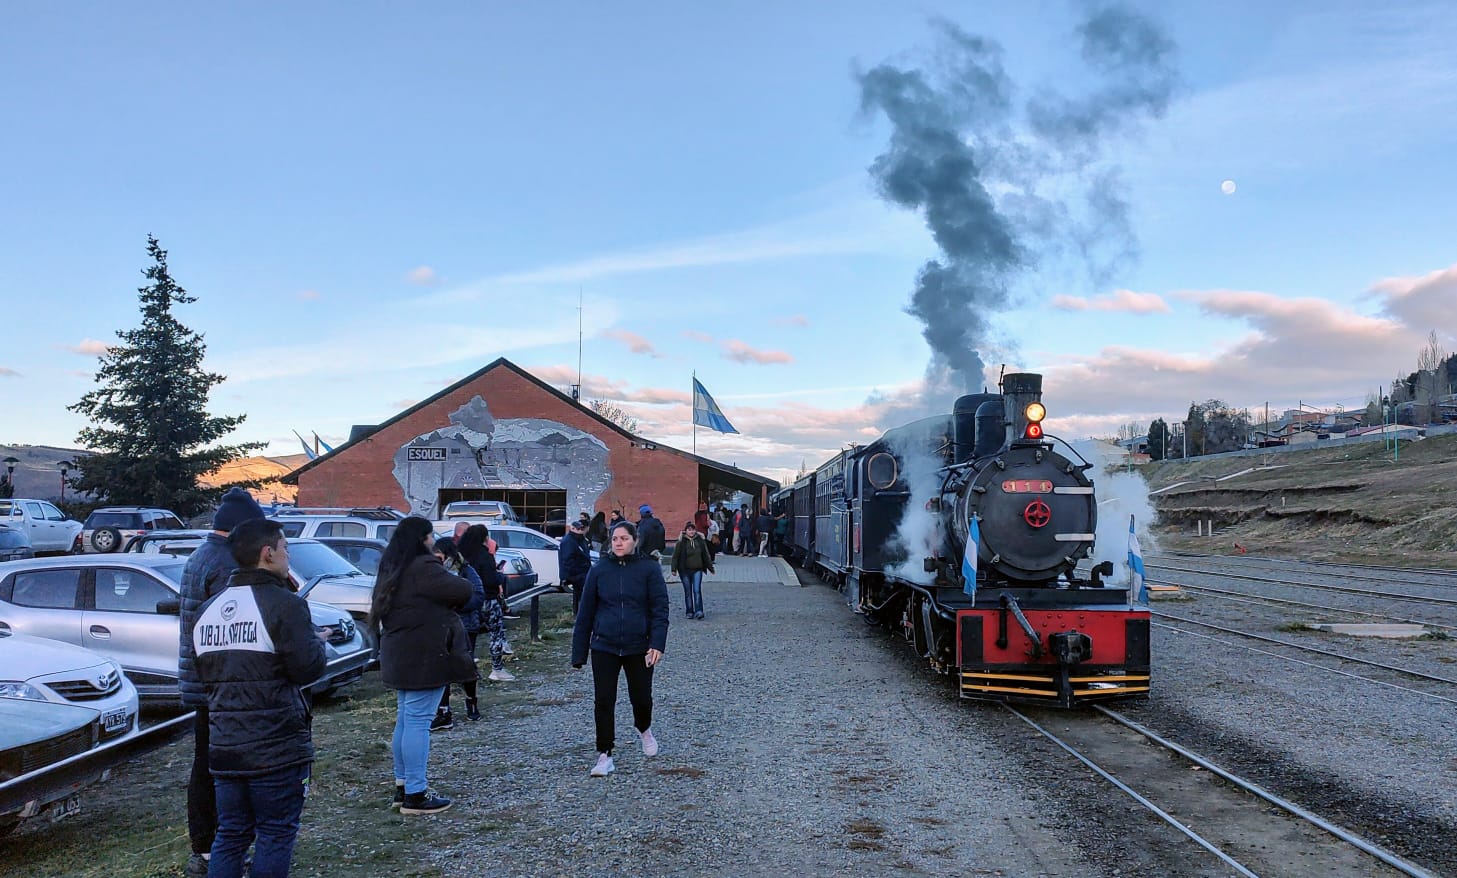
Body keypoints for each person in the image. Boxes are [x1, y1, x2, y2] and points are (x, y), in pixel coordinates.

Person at [193, 518, 328, 878]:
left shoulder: (207, 612)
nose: (288, 556)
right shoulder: (284, 604)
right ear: (268, 554)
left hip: (225, 745)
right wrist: (317, 643)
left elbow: (203, 674)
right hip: (275, 746)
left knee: (231, 834)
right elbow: (309, 670)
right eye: (286, 548)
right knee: (275, 832)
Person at [178, 486, 265, 878]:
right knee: (221, 768)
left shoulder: (199, 556)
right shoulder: (225, 563)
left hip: (198, 679)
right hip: (218, 683)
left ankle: (207, 847)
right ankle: (216, 848)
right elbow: (232, 626)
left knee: (205, 763)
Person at [371, 516, 475, 815]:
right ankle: (417, 794)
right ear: (423, 539)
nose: (433, 542)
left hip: (398, 652)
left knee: (406, 719)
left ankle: (403, 785)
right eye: (431, 537)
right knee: (418, 722)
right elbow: (463, 590)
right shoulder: (424, 567)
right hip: (425, 655)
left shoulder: (392, 566)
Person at [570, 520, 669, 777]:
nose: (619, 543)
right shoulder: (600, 570)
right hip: (605, 645)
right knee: (604, 700)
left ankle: (643, 728)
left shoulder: (649, 569)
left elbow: (660, 610)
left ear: (635, 540)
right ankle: (604, 753)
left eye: (624, 538)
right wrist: (578, 653)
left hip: (639, 646)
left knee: (641, 697)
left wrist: (657, 643)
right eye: (615, 539)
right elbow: (586, 612)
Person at [432, 536, 486, 724]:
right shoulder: (433, 572)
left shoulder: (466, 570)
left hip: (465, 625)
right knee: (441, 668)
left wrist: (457, 605)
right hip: (441, 626)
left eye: (439, 554)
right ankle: (443, 711)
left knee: (466, 666)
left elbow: (479, 595)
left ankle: (472, 702)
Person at [458, 524, 513, 682]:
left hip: (467, 600)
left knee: (468, 638)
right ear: (484, 538)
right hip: (488, 600)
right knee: (496, 635)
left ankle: (467, 671)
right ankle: (497, 669)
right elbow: (491, 579)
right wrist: (500, 576)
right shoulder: (485, 556)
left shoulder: (462, 556)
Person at [669, 522, 714, 620]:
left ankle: (699, 611)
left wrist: (710, 568)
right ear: (686, 531)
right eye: (689, 530)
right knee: (688, 591)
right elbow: (675, 556)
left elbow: (705, 555)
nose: (691, 532)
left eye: (693, 529)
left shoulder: (700, 541)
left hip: (697, 569)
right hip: (684, 570)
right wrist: (673, 569)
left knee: (697, 590)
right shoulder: (681, 542)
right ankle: (689, 611)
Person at [558, 517, 593, 617]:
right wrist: (578, 574)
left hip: (582, 572)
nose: (580, 530)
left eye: (581, 528)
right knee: (581, 594)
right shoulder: (568, 541)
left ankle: (580, 613)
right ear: (572, 528)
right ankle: (579, 614)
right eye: (578, 528)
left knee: (582, 594)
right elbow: (567, 560)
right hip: (576, 574)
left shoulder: (580, 540)